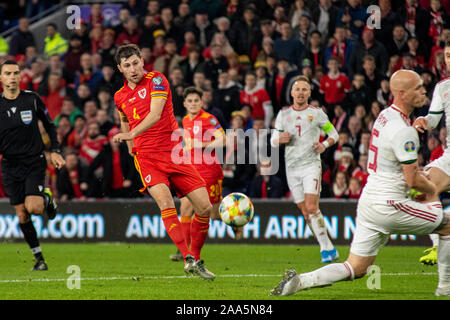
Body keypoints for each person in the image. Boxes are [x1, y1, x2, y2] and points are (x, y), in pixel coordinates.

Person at [270, 70, 450, 297]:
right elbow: (412, 179)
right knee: (447, 225)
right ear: (402, 94)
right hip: (389, 203)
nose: (424, 90)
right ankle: (445, 290)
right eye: (418, 88)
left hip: (369, 201)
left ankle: (301, 281)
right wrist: (432, 189)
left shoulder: (385, 116)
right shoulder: (404, 131)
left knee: (355, 267)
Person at [112, 44, 215, 280]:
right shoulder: (119, 96)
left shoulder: (157, 79)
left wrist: (129, 135)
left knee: (205, 207)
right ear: (120, 69)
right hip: (148, 158)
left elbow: (156, 114)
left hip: (174, 153)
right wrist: (131, 147)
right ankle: (187, 257)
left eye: (136, 63)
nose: (133, 69)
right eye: (127, 66)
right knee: (166, 203)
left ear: (142, 60)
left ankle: (196, 259)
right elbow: (124, 119)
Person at [0, 60, 65, 271]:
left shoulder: (32, 99)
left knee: (34, 208)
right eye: (7, 73)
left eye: (15, 73)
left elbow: (49, 125)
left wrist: (55, 150)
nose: (12, 77)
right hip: (10, 165)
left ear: (20, 77)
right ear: (1, 78)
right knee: (22, 214)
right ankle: (39, 259)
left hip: (33, 161)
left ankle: (46, 198)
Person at [271, 75, 340, 263]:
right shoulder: (283, 115)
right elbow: (273, 140)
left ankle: (326, 249)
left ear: (309, 93)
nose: (300, 92)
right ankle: (328, 247)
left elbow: (334, 134)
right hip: (291, 169)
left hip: (311, 165)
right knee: (305, 211)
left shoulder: (317, 113)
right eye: (297, 89)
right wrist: (280, 140)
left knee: (311, 207)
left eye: (304, 89)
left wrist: (324, 145)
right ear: (292, 93)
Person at [169, 87, 226, 262]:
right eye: (190, 101)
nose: (193, 104)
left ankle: (234, 218)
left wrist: (200, 144)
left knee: (214, 214)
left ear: (201, 102)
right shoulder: (185, 120)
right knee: (185, 208)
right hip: (191, 171)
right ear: (185, 103)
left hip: (210, 171)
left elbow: (223, 139)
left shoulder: (209, 119)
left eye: (196, 100)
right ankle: (185, 252)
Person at [413, 40, 450, 266]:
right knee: (421, 185)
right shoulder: (443, 87)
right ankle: (438, 248)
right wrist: (423, 120)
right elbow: (434, 119)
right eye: (447, 55)